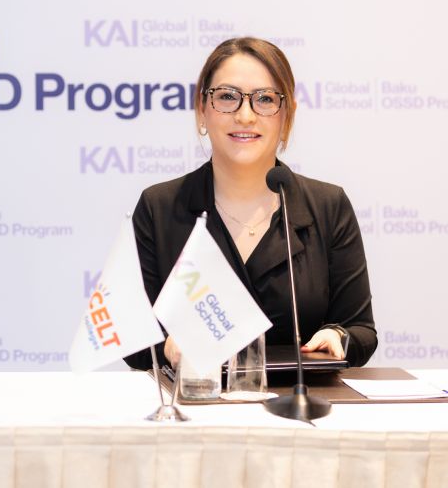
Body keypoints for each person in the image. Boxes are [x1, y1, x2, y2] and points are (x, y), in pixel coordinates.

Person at [124, 38, 376, 370]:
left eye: (265, 99)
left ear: (287, 117)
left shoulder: (328, 206)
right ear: (202, 110)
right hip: (198, 398)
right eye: (227, 97)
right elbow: (134, 338)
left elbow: (361, 331)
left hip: (302, 398)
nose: (245, 116)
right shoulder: (160, 208)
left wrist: (338, 336)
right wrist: (169, 347)